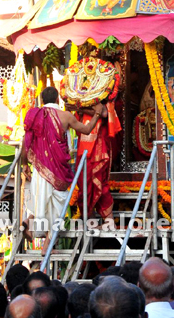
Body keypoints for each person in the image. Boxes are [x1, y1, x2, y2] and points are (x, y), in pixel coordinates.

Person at [22, 87, 104, 254]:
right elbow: (86, 130)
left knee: (40, 203)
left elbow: (26, 142)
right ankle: (46, 247)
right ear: (58, 100)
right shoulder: (65, 116)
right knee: (58, 208)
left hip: (39, 168)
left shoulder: (35, 115)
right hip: (58, 170)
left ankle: (29, 224)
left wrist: (25, 165)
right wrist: (96, 114)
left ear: (42, 101)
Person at [72, 97, 121, 228]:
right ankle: (91, 222)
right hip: (84, 150)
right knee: (84, 183)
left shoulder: (105, 100)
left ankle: (109, 221)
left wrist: (81, 108)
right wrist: (81, 108)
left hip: (99, 148)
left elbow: (104, 113)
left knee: (99, 182)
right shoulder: (81, 101)